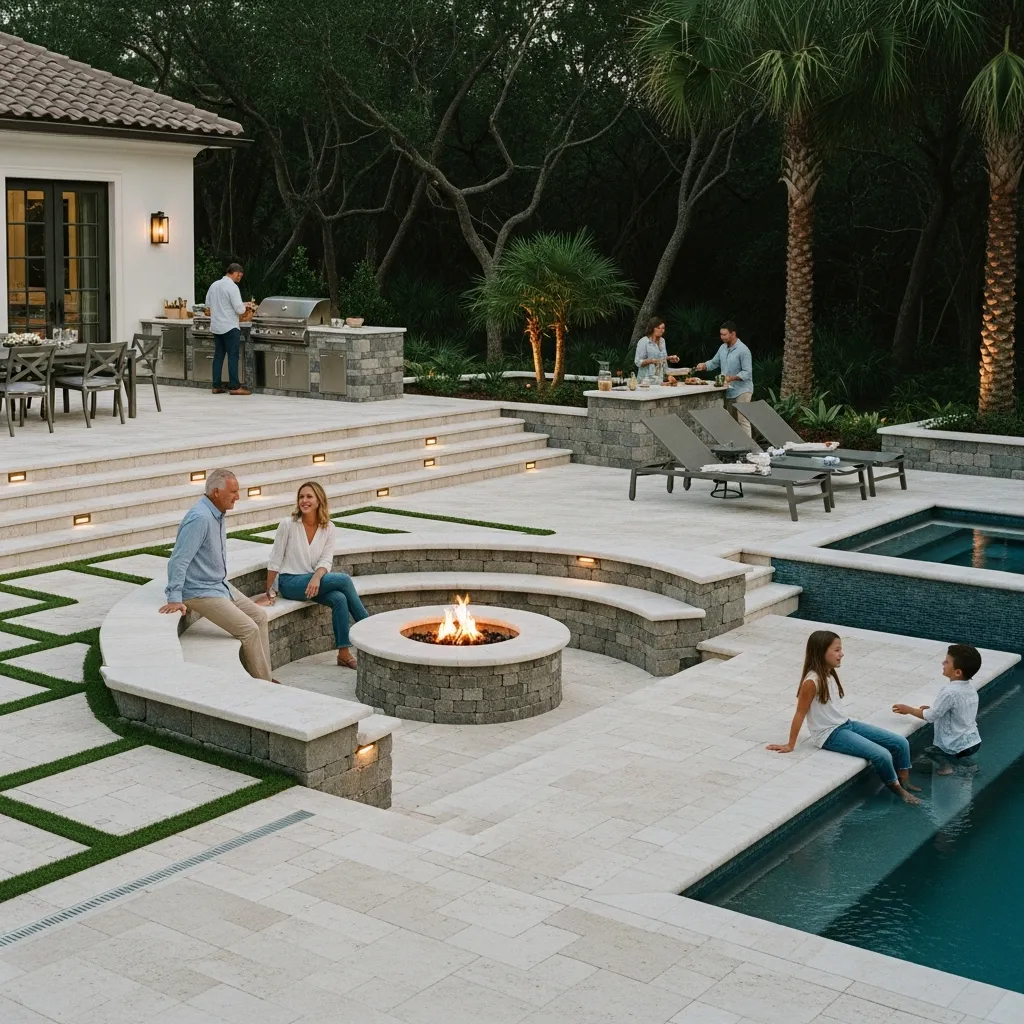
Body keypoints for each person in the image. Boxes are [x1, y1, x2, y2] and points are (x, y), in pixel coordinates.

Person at [767, 630, 921, 805]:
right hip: (829, 735)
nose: (842, 654)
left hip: (846, 725)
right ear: (821, 652)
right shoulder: (811, 681)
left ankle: (905, 781)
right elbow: (800, 713)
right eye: (837, 650)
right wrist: (790, 744)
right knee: (882, 755)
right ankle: (898, 791)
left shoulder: (829, 673)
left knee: (900, 743)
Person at [159, 468, 273, 682]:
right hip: (199, 591)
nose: (238, 497)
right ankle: (265, 686)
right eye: (233, 492)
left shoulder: (217, 513)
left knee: (260, 617)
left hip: (219, 585)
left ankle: (266, 674)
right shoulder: (200, 518)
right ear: (215, 492)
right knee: (248, 629)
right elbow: (178, 559)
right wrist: (174, 597)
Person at [255, 481, 369, 669]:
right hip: (289, 582)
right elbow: (275, 560)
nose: (304, 501)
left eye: (309, 497)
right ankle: (368, 627)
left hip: (312, 582)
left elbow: (325, 561)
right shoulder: (287, 525)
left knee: (340, 599)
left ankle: (343, 654)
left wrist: (316, 578)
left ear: (319, 501)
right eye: (301, 497)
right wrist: (269, 590)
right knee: (344, 580)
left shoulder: (329, 528)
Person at [893, 644, 982, 775]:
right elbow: (958, 710)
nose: (942, 663)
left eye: (947, 662)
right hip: (973, 741)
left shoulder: (949, 691)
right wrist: (934, 709)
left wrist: (909, 710)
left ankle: (954, 767)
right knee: (951, 753)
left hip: (956, 745)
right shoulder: (970, 689)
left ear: (958, 672)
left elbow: (930, 716)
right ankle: (960, 764)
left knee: (930, 751)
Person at [696, 321, 753, 435]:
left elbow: (747, 373)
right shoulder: (722, 348)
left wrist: (730, 378)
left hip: (743, 390)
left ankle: (749, 449)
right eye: (721, 334)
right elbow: (714, 362)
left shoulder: (743, 350)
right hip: (729, 390)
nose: (722, 337)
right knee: (730, 421)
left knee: (743, 420)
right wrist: (704, 365)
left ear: (733, 334)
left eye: (724, 334)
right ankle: (735, 447)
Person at [205, 262, 251, 396]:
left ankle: (216, 385)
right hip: (230, 326)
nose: (240, 278)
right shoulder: (232, 287)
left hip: (217, 326)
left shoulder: (214, 285)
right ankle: (234, 386)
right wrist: (245, 307)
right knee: (233, 356)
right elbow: (239, 309)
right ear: (234, 272)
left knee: (218, 355)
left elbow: (208, 304)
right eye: (239, 275)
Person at [633, 317, 680, 384]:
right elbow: (637, 362)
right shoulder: (644, 341)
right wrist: (651, 361)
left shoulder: (662, 341)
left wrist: (669, 358)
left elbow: (663, 360)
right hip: (645, 382)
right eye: (658, 328)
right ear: (652, 328)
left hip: (659, 381)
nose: (661, 330)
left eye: (663, 328)